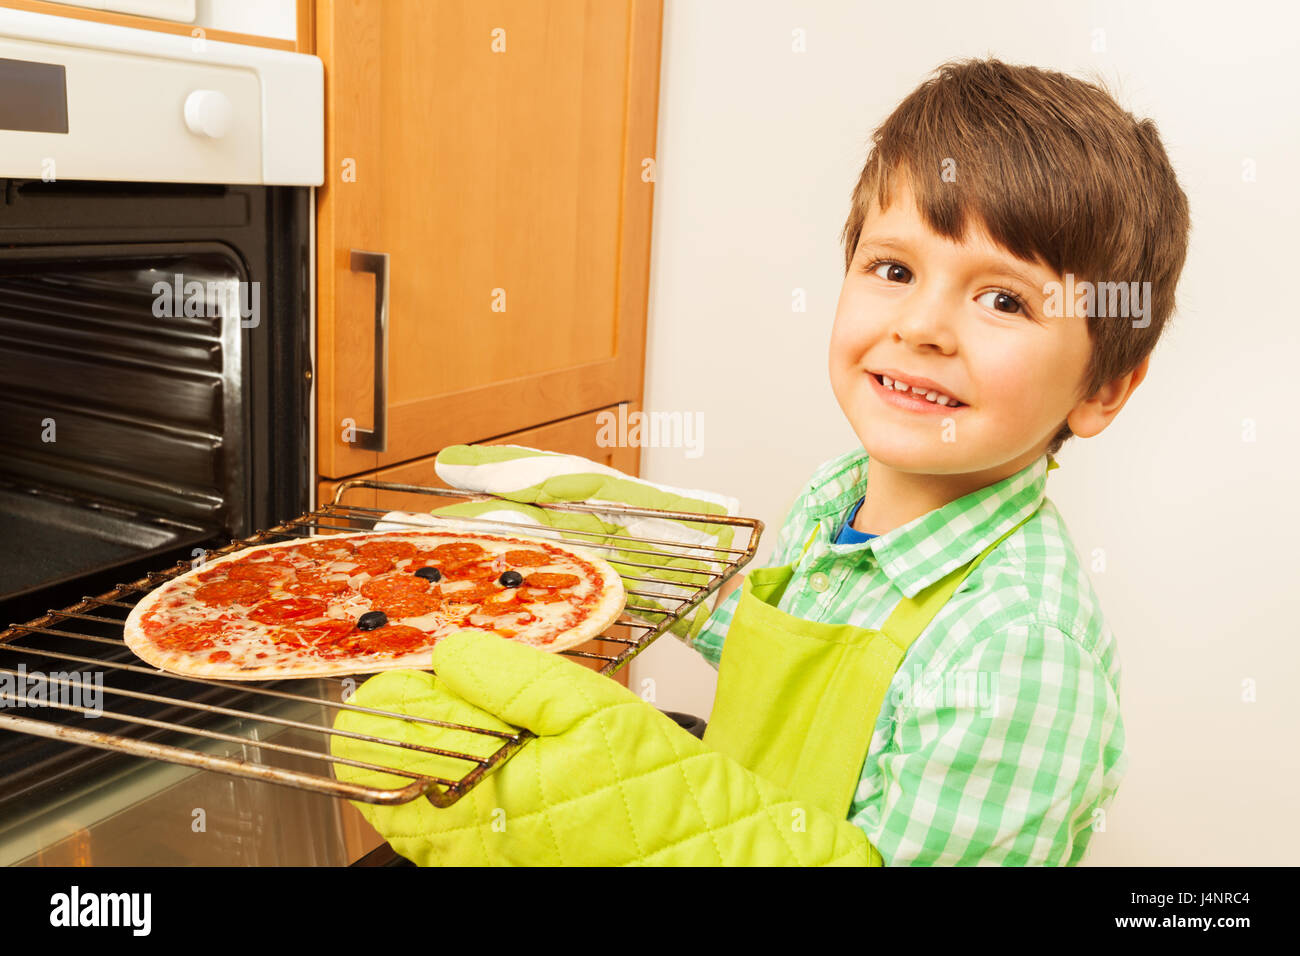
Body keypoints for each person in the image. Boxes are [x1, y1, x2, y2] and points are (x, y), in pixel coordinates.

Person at [331, 56, 1191, 866]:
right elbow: (801, 679)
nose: (921, 326)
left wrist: (633, 802)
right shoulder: (840, 493)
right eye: (892, 267)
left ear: (1104, 388)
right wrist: (633, 545)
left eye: (1003, 298)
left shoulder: (1020, 652)